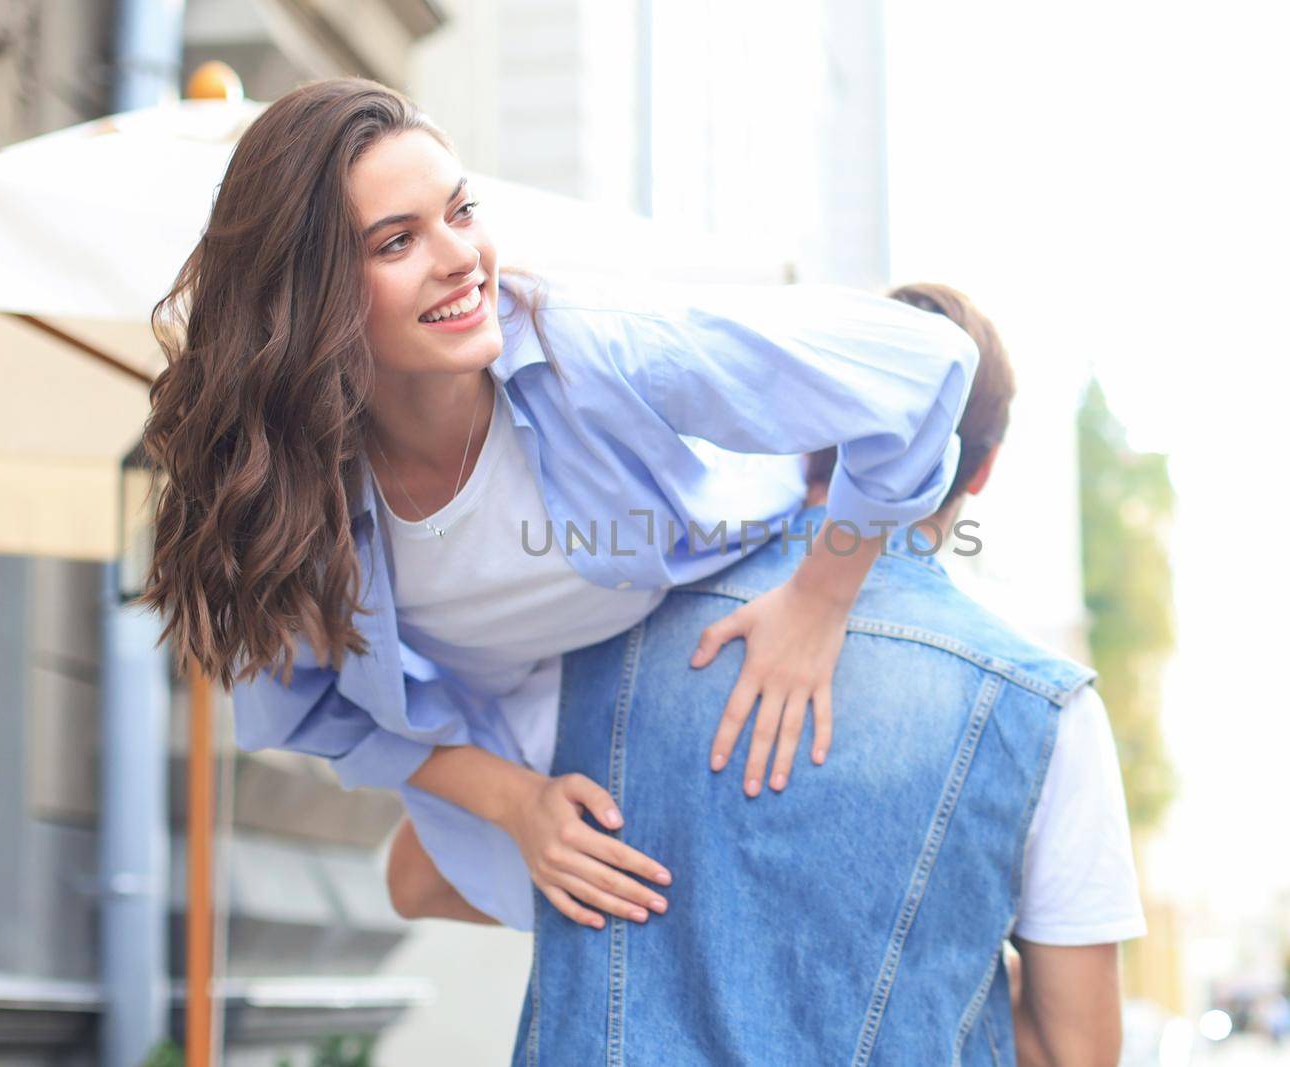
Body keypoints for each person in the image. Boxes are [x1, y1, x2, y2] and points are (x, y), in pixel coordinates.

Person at [134, 76, 980, 934]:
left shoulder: (597, 347)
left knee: (739, 912)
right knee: (430, 884)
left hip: (719, 600)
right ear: (306, 296)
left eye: (461, 212)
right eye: (397, 242)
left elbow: (928, 363)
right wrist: (517, 803)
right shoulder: (285, 492)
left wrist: (819, 600)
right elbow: (310, 705)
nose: (460, 257)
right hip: (521, 713)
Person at [392, 285, 1148, 1066]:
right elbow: (1075, 1054)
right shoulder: (1043, 710)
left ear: (806, 430)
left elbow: (415, 878)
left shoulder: (601, 625)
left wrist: (643, 917)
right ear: (982, 471)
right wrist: (952, 950)